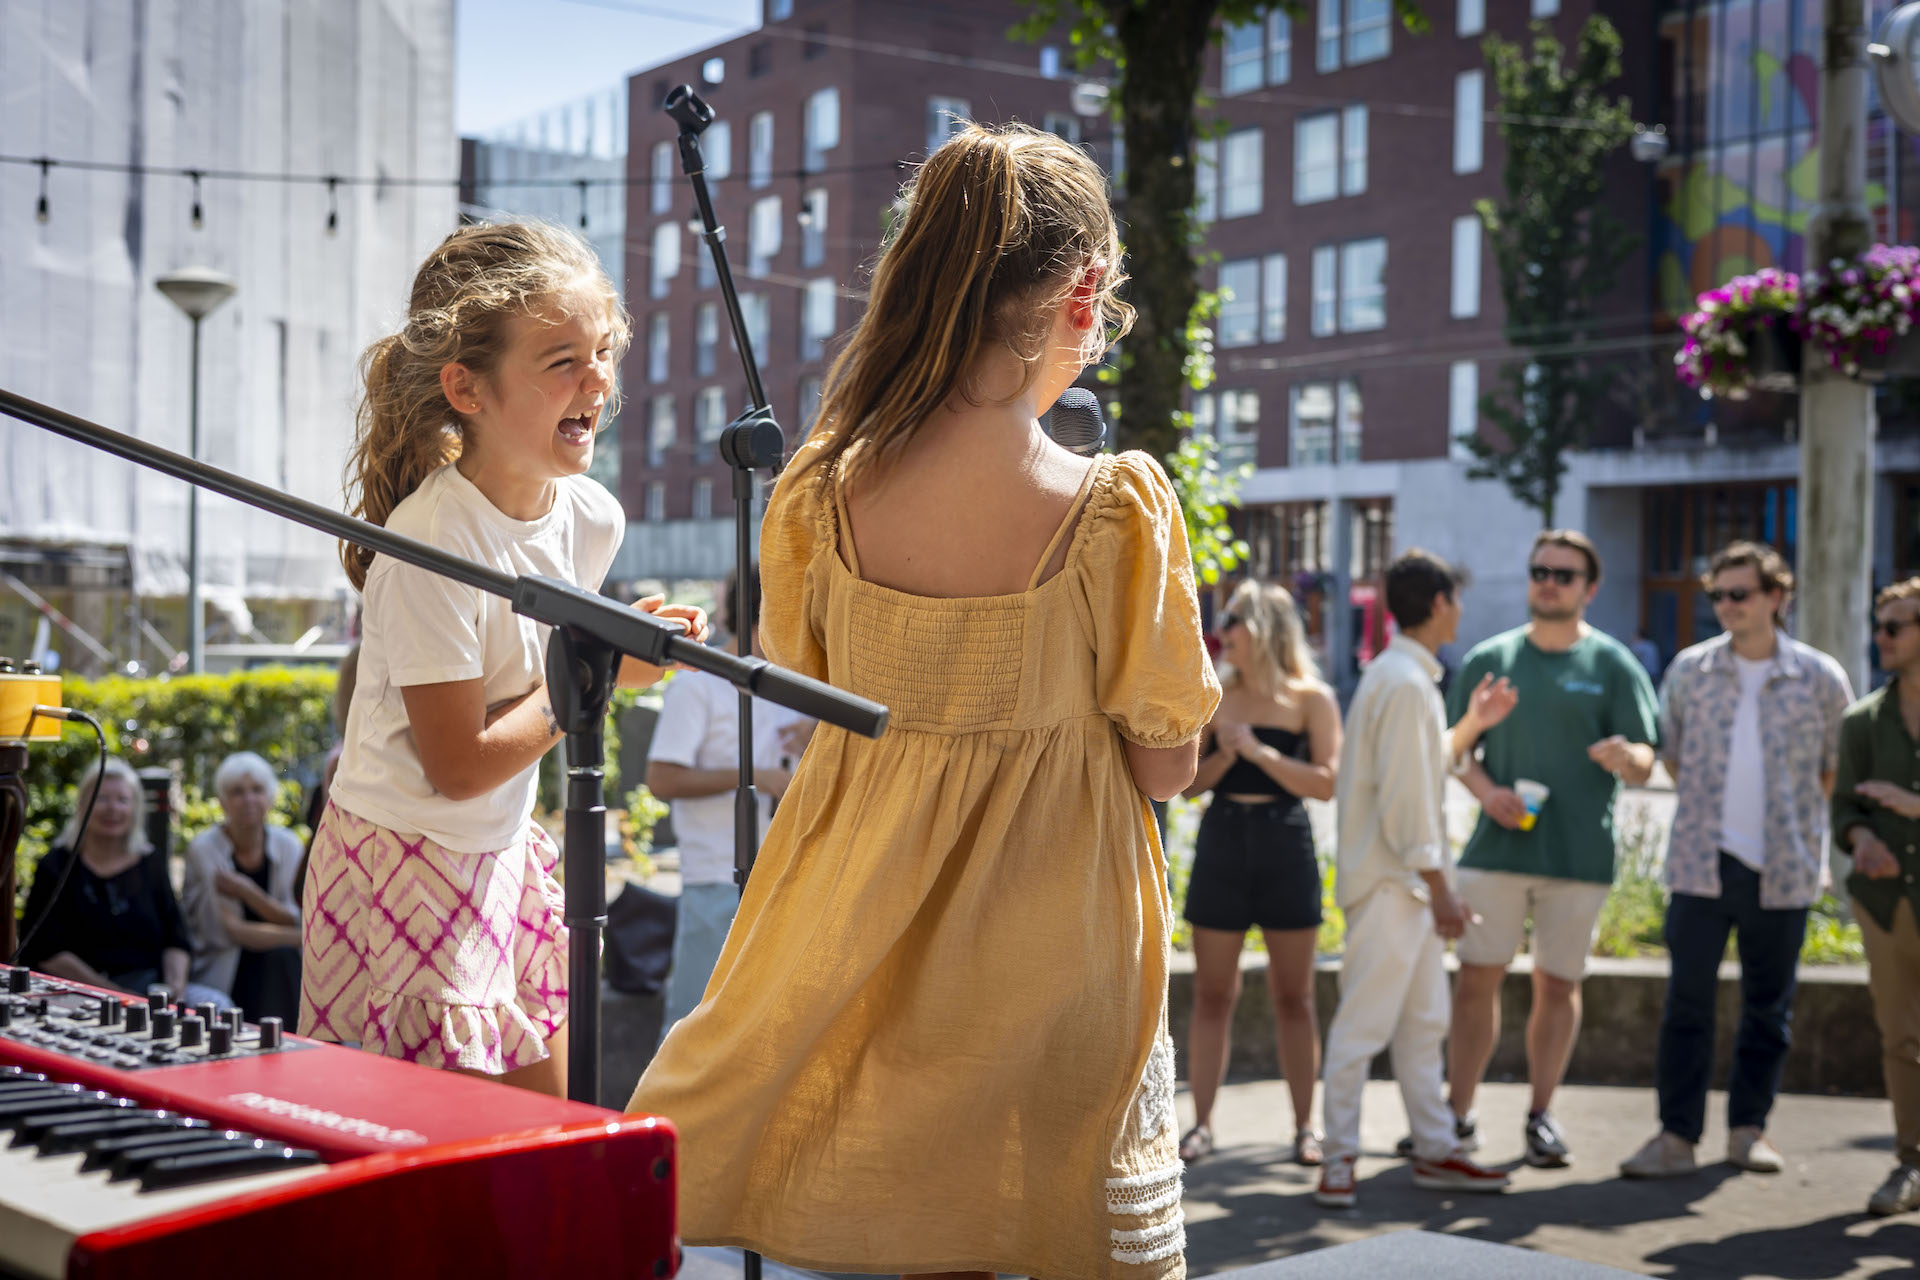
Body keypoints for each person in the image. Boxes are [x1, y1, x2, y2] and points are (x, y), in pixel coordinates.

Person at [629, 123, 1219, 1279]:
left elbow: (806, 688)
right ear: (1084, 291)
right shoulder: (1116, 510)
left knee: (912, 1231)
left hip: (862, 929)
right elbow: (1167, 764)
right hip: (1059, 941)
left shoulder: (816, 494)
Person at [299, 221, 707, 1097]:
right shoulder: (431, 544)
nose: (597, 380)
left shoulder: (591, 518)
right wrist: (593, 677)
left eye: (603, 353)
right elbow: (458, 766)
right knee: (423, 1151)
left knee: (539, 1132)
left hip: (501, 848)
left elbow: (541, 680)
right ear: (466, 388)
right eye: (562, 361)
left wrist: (608, 656)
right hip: (404, 857)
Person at [1621, 542, 1853, 1178]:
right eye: (1717, 595)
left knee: (1768, 1010)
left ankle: (1749, 1130)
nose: (1726, 605)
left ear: (1776, 597)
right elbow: (1671, 754)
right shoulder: (1691, 670)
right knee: (1686, 1006)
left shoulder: (1820, 677)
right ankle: (1676, 1137)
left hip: (1784, 867)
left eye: (1739, 594)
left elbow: (1834, 768)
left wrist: (1793, 828)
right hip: (1701, 862)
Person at [1436, 530, 1659, 1170]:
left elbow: (1647, 758)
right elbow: (1452, 749)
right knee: (1476, 981)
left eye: (1564, 574)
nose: (1549, 583)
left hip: (1577, 855)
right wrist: (1487, 793)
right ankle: (1456, 1117)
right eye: (1540, 571)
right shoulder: (1492, 657)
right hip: (1495, 852)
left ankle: (1541, 1117)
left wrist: (1628, 756)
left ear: (1590, 588)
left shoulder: (1613, 663)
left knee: (1558, 986)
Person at [1315, 549, 1516, 1209]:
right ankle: (1339, 1157)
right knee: (1364, 1026)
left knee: (1422, 1022)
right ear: (1439, 604)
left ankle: (1434, 1148)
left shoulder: (1400, 676)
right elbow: (1407, 804)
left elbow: (1419, 767)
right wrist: (1441, 889)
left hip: (1401, 885)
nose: (1460, 610)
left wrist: (1473, 724)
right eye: (1456, 599)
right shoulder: (1404, 683)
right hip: (1397, 886)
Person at [1178, 579, 1341, 1167]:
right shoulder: (1215, 693)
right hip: (1224, 840)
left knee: (1294, 997)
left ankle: (1305, 1128)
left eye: (1233, 620)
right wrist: (1225, 755)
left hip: (1284, 843)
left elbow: (1326, 784)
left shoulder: (1311, 699)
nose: (1223, 632)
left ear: (1265, 628)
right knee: (1213, 994)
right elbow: (1187, 785)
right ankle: (1200, 1125)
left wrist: (1261, 754)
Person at [646, 562, 814, 1039]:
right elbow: (662, 777)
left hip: (784, 878)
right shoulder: (697, 683)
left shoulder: (794, 686)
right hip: (716, 877)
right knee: (692, 1027)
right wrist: (755, 777)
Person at [1831, 576, 1920, 1217]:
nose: (1881, 637)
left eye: (1895, 627)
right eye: (1879, 625)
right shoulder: (1862, 720)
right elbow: (1844, 808)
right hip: (1889, 903)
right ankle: (1910, 1161)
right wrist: (1863, 839)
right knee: (1901, 1038)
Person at [19, 757, 228, 1006]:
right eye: (102, 798)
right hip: (74, 994)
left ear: (135, 809)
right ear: (83, 804)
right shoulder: (56, 866)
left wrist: (176, 989)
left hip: (148, 990)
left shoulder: (150, 862)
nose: (113, 808)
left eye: (122, 800)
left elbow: (176, 938)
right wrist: (118, 996)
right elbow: (45, 951)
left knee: (216, 1004)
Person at [182, 751, 304, 1023]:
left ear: (269, 797)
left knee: (282, 958)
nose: (249, 799)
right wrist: (303, 937)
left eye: (257, 790)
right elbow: (235, 931)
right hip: (226, 966)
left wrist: (246, 891)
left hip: (280, 962)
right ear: (223, 801)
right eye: (237, 792)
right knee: (282, 958)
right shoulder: (205, 849)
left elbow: (293, 917)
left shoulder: (288, 845)